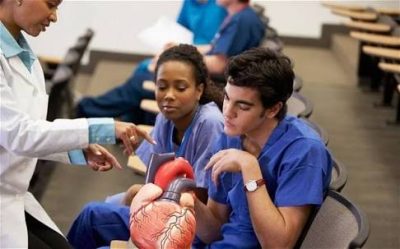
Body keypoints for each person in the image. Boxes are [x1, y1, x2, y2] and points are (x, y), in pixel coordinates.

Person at [0, 1, 154, 248]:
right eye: (51, 5)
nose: (54, 17)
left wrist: (75, 149)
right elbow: (19, 135)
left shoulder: (24, 53)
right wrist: (102, 128)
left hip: (11, 196)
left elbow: (29, 130)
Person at [67, 44, 224, 249]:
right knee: (95, 212)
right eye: (162, 86)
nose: (169, 95)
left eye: (180, 87)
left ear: (199, 90)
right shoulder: (165, 118)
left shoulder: (210, 123)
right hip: (162, 211)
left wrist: (137, 198)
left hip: (187, 226)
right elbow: (154, 183)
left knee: (93, 217)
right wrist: (136, 195)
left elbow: (197, 203)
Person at [192, 47, 333, 248]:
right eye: (227, 98)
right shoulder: (229, 135)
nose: (227, 112)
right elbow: (215, 230)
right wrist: (191, 203)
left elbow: (278, 245)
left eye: (242, 106)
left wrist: (250, 168)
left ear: (273, 109)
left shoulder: (303, 151)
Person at [76, 0, 265, 125]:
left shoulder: (241, 21)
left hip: (216, 86)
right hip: (212, 80)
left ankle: (84, 109)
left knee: (140, 82)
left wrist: (180, 57)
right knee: (145, 75)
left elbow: (219, 64)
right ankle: (124, 123)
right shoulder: (237, 17)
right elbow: (213, 48)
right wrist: (178, 49)